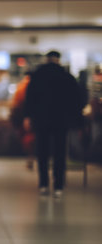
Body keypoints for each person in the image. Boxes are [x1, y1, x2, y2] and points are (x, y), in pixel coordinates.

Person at [24, 50, 83, 198]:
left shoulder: (37, 76)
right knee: (60, 153)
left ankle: (43, 184)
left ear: (47, 59)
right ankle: (58, 185)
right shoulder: (67, 77)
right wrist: (76, 120)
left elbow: (30, 98)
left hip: (42, 119)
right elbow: (76, 100)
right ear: (58, 60)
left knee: (42, 152)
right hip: (61, 121)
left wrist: (28, 117)